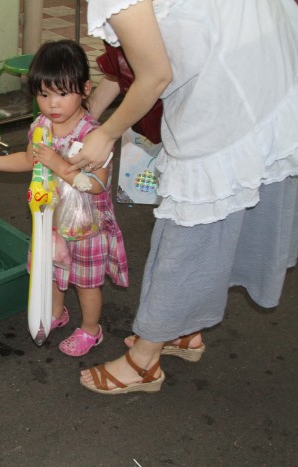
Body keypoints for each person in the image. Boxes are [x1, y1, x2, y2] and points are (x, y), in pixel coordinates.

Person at [74, 0, 298, 394]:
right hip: (264, 61)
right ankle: (184, 329)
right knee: (227, 215)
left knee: (191, 231)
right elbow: (132, 59)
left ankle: (144, 362)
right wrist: (89, 117)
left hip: (228, 87)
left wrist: (106, 133)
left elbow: (154, 74)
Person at [0, 39, 128, 355]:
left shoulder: (92, 134)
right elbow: (29, 160)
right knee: (54, 271)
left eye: (62, 93)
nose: (52, 104)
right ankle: (56, 312)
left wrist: (60, 165)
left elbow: (96, 184)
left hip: (86, 226)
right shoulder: (41, 126)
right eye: (44, 95)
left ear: (84, 89)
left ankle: (90, 329)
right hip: (52, 218)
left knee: (86, 282)